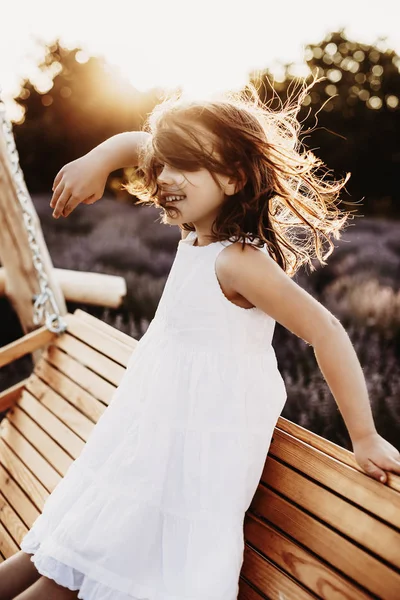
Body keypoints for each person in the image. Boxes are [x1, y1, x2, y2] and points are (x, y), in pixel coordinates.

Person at [2, 82, 400, 600]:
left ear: (235, 179)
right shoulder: (195, 237)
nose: (165, 176)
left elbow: (326, 330)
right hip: (143, 444)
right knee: (49, 551)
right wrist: (96, 161)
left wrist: (364, 435)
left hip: (182, 469)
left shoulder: (238, 262)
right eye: (164, 164)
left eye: (185, 166)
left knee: (66, 569)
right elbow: (137, 144)